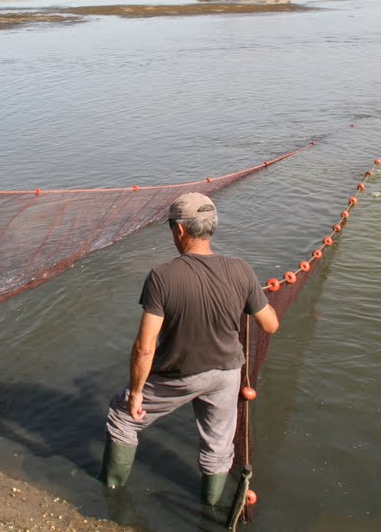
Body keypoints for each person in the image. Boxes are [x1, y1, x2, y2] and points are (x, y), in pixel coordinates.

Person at [101, 192, 280, 507]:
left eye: (171, 225)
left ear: (180, 230)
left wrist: (138, 392)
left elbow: (144, 347)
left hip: (179, 374)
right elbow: (270, 325)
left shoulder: (162, 277)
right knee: (218, 447)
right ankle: (208, 509)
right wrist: (250, 297)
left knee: (123, 416)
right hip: (227, 373)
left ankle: (109, 495)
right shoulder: (242, 269)